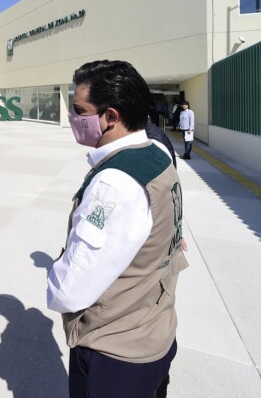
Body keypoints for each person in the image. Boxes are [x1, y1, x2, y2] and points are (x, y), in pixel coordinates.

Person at [48, 60, 188, 397]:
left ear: (111, 116)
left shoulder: (113, 182)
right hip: (157, 332)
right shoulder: (156, 151)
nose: (72, 119)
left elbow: (67, 290)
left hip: (114, 357)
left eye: (80, 110)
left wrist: (54, 273)